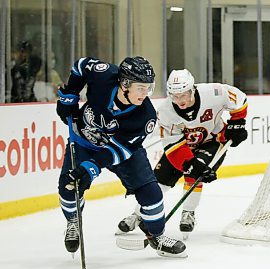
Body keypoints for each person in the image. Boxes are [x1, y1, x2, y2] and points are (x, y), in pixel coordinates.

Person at [56, 56, 186, 257]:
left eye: (148, 88)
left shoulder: (146, 116)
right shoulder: (104, 75)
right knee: (69, 185)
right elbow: (81, 65)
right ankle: (73, 221)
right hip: (83, 141)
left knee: (150, 193)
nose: (146, 94)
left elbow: (119, 150)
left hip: (120, 150)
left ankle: (157, 236)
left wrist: (92, 167)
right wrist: (70, 94)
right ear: (124, 84)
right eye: (141, 88)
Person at [117, 69, 248, 239]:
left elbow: (239, 98)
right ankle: (139, 214)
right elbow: (174, 146)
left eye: (183, 95)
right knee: (157, 182)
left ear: (192, 89)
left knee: (193, 177)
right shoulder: (165, 111)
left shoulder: (213, 92)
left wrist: (237, 123)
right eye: (174, 96)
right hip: (182, 147)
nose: (179, 101)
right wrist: (190, 163)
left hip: (212, 141)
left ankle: (188, 212)